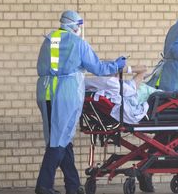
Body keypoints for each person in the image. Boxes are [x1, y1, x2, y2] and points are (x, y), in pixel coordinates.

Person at [35, 10, 127, 194]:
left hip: (45, 92)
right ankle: (44, 185)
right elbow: (98, 68)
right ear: (76, 26)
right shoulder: (78, 43)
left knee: (63, 139)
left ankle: (73, 185)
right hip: (65, 94)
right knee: (58, 141)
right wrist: (117, 65)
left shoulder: (49, 40)